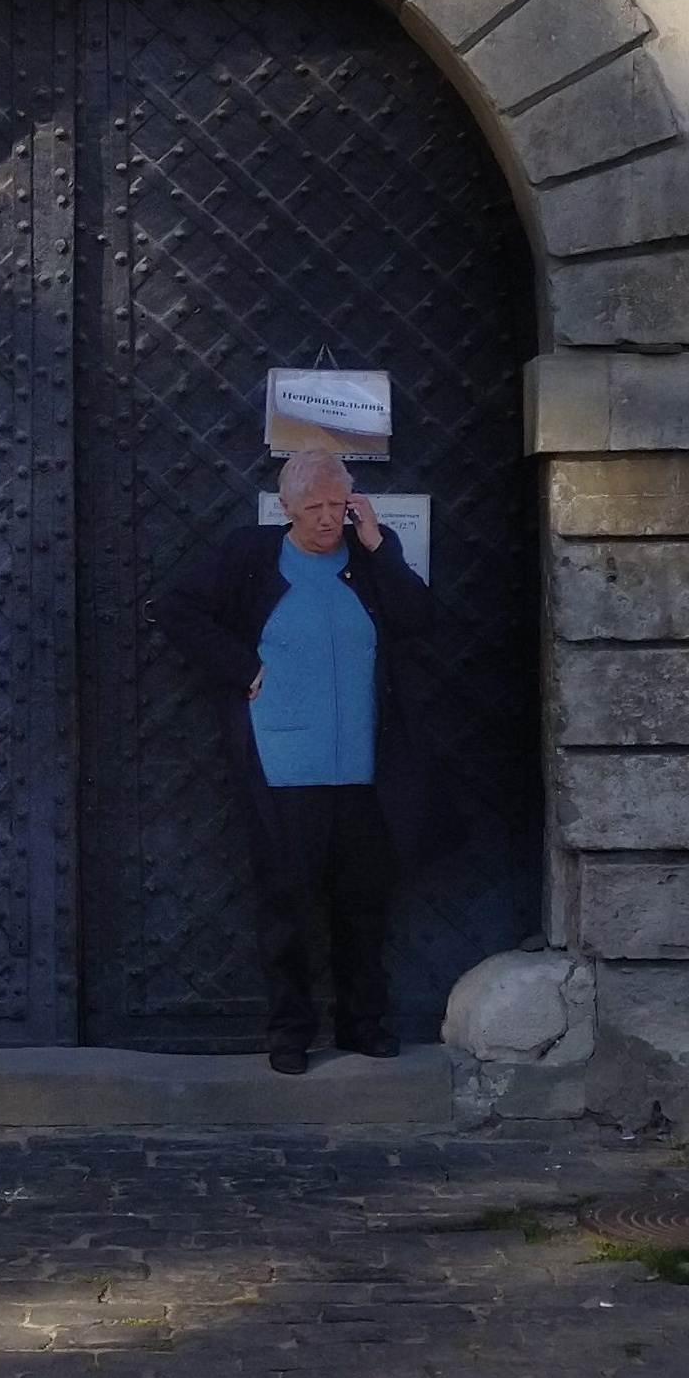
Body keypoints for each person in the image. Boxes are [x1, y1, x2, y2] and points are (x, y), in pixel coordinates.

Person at [152, 450, 449, 1074]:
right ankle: (289, 1031)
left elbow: (418, 620)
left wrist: (377, 547)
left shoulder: (370, 554)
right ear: (284, 507)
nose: (325, 519)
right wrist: (242, 668)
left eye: (337, 506)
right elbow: (177, 607)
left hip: (365, 766)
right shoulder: (251, 555)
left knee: (364, 902)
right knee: (287, 903)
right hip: (284, 762)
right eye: (312, 507)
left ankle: (362, 1023)